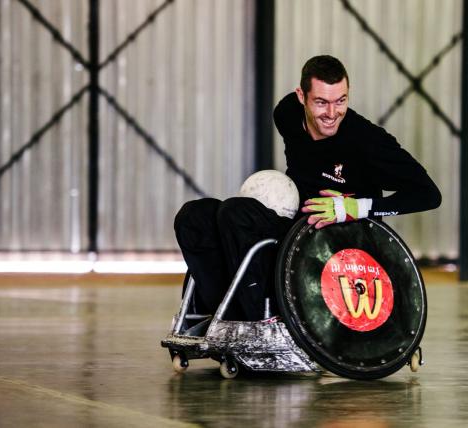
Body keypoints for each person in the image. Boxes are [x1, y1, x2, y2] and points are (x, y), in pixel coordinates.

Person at [174, 55, 440, 322]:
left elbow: (428, 195)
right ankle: (226, 317)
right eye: (321, 102)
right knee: (194, 216)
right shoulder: (287, 114)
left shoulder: (367, 142)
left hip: (337, 243)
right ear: (301, 96)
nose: (332, 113)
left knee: (235, 213)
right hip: (295, 227)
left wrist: (355, 208)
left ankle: (263, 323)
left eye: (341, 101)